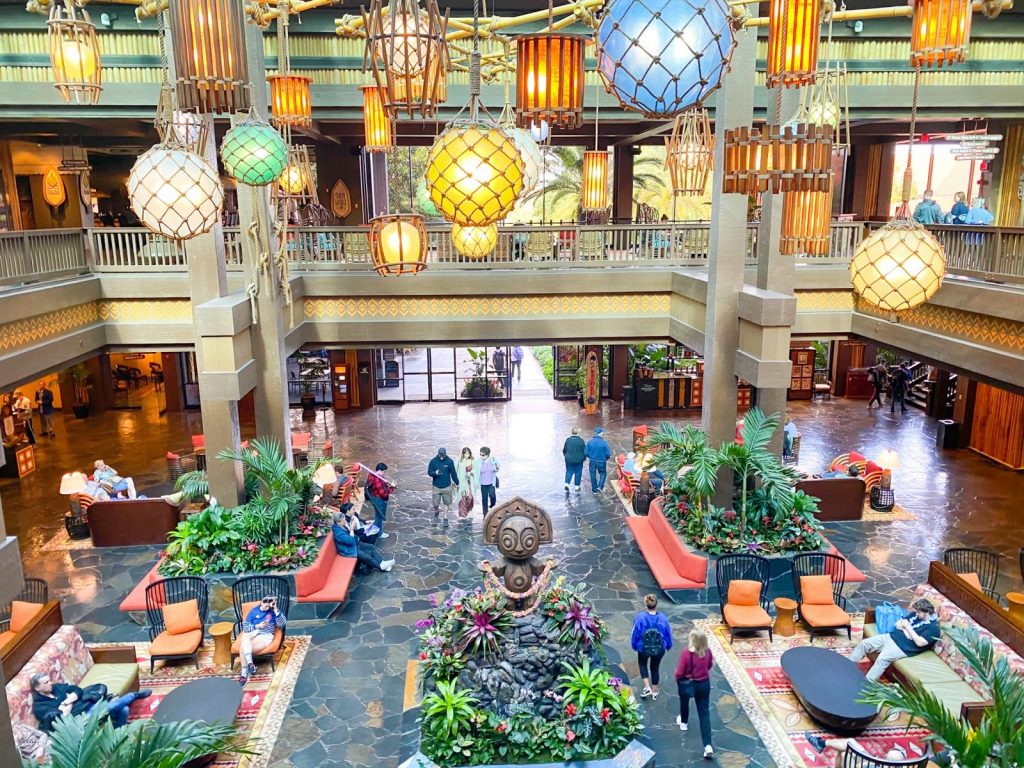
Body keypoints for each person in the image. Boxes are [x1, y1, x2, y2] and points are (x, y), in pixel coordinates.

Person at [848, 597, 939, 682]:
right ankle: (846, 666)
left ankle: (866, 684)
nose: (917, 613)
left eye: (919, 612)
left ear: (926, 612)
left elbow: (920, 642)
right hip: (891, 637)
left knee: (882, 659)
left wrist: (907, 627)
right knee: (864, 643)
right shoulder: (916, 616)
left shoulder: (933, 628)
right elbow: (898, 623)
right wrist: (907, 631)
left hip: (902, 648)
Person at [30, 673, 151, 731]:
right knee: (117, 708)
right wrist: (71, 699)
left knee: (124, 709)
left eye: (49, 680)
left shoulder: (56, 687)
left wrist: (67, 702)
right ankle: (133, 696)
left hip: (86, 706)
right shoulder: (39, 706)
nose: (50, 683)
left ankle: (118, 732)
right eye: (45, 683)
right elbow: (61, 716)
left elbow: (77, 690)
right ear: (37, 688)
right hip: (78, 720)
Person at [675, 628, 715, 759]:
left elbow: (680, 672)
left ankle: (684, 723)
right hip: (704, 684)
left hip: (688, 683)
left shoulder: (686, 654)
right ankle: (708, 745)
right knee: (704, 713)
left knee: (684, 701)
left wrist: (679, 679)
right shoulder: (707, 652)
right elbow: (709, 665)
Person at [236, 594, 287, 686]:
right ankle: (250, 664)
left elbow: (282, 624)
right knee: (245, 636)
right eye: (266, 605)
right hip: (253, 632)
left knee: (242, 648)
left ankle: (244, 674)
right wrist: (257, 626)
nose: (267, 607)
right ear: (261, 603)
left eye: (269, 605)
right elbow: (245, 628)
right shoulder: (254, 611)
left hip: (265, 636)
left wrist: (275, 609)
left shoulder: (272, 612)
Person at [630, 594, 672, 700]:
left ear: (646, 604)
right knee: (655, 667)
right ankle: (654, 691)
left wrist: (634, 645)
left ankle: (647, 687)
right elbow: (668, 633)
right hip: (659, 648)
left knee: (643, 664)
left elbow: (635, 633)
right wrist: (668, 645)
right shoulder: (663, 618)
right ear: (656, 604)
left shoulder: (640, 618)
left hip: (643, 648)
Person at [331, 506, 394, 573]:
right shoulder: (338, 532)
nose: (345, 521)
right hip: (348, 549)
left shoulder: (342, 526)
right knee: (367, 557)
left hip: (354, 544)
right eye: (343, 521)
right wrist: (352, 529)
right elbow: (350, 541)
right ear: (338, 523)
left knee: (371, 547)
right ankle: (381, 567)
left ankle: (382, 562)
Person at [806, 735, 917, 763]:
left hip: (865, 762)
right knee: (849, 743)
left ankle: (821, 743)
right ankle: (821, 743)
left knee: (847, 748)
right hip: (868, 760)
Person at [427, 447, 458, 526]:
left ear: (445, 454)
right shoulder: (433, 461)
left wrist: (457, 483)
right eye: (440, 455)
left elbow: (453, 474)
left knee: (446, 503)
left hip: (447, 486)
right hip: (436, 486)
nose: (441, 457)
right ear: (438, 453)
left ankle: (445, 517)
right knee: (436, 503)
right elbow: (429, 472)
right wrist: (435, 473)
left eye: (443, 455)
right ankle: (436, 511)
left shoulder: (449, 462)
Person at [364, 462, 395, 539]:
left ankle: (376, 530)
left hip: (374, 498)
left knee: (378, 516)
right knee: (379, 516)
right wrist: (392, 487)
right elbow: (383, 493)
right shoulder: (378, 479)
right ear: (380, 470)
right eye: (384, 471)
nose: (384, 473)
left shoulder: (372, 475)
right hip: (379, 500)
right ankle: (379, 533)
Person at [475, 446, 500, 518]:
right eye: (480, 454)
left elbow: (498, 466)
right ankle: (485, 514)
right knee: (484, 498)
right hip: (483, 484)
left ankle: (492, 506)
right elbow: (474, 468)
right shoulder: (478, 461)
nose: (481, 456)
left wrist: (496, 469)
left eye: (483, 455)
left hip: (491, 482)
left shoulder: (493, 459)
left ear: (488, 455)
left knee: (492, 495)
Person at [585, 427, 612, 493]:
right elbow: (608, 454)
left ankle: (594, 490)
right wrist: (605, 459)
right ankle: (600, 486)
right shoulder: (604, 443)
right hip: (602, 461)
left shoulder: (590, 442)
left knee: (592, 474)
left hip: (592, 461)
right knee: (603, 473)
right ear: (601, 433)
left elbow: (585, 452)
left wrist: (591, 457)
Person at [562, 426, 586, 492]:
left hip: (569, 459)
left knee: (569, 471)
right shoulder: (581, 441)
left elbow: (564, 450)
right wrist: (584, 458)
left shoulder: (568, 440)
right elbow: (584, 450)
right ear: (578, 433)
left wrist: (566, 455)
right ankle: (577, 486)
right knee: (578, 472)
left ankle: (567, 484)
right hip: (579, 460)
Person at [455, 447, 476, 519]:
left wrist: (471, 473)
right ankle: (462, 514)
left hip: (470, 482)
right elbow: (455, 470)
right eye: (465, 454)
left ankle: (468, 510)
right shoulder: (459, 460)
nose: (467, 455)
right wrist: (455, 482)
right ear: (463, 454)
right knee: (462, 498)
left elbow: (476, 469)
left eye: (468, 453)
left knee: (470, 497)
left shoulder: (473, 460)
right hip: (462, 481)